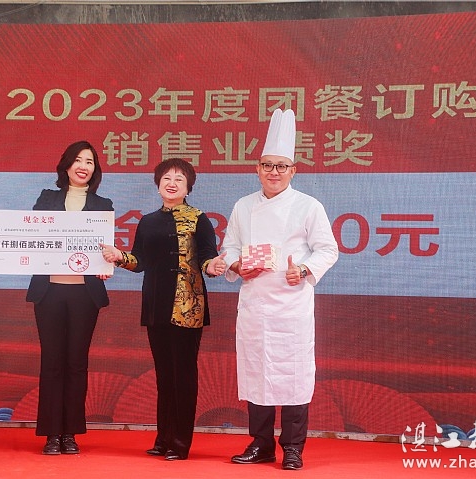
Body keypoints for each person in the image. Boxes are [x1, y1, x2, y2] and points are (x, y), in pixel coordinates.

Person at [222, 109, 339, 470]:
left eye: (281, 166)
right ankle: (260, 444)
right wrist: (237, 265)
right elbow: (229, 247)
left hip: (292, 305)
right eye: (267, 165)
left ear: (293, 171)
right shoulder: (243, 206)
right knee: (256, 372)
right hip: (255, 303)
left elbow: (328, 250)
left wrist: (302, 269)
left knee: (294, 376)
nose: (274, 172)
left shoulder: (308, 206)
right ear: (257, 169)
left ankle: (292, 447)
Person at [101, 158, 226, 461]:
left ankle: (180, 443)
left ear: (188, 187)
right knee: (163, 376)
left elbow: (208, 256)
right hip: (156, 305)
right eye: (166, 178)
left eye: (179, 179)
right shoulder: (147, 221)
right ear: (158, 185)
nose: (172, 183)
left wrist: (213, 266)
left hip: (187, 306)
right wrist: (119, 256)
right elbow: (140, 261)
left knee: (183, 376)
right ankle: (163, 439)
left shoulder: (199, 218)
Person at [25, 140, 114, 455]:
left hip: (84, 294)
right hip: (49, 290)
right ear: (66, 165)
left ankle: (70, 433)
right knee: (52, 361)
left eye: (89, 161)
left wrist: (106, 263)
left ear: (95, 169)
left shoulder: (103, 205)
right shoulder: (47, 199)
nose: (83, 166)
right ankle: (52, 433)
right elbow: (26, 234)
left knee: (77, 363)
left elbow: (104, 248)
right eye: (77, 160)